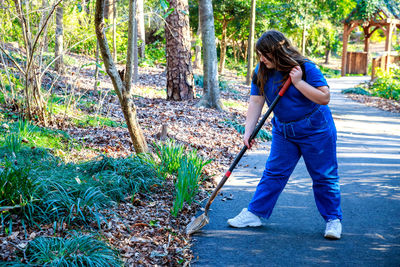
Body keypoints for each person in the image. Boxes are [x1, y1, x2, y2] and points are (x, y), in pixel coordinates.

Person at [227, 30, 342, 240]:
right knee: (274, 172)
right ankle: (254, 213)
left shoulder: (305, 68)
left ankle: (333, 220)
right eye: (259, 54)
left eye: (265, 54)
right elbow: (256, 101)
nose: (261, 59)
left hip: (316, 129)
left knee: (324, 176)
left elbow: (324, 97)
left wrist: (298, 82)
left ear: (277, 52)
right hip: (284, 131)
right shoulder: (261, 70)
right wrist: (249, 131)